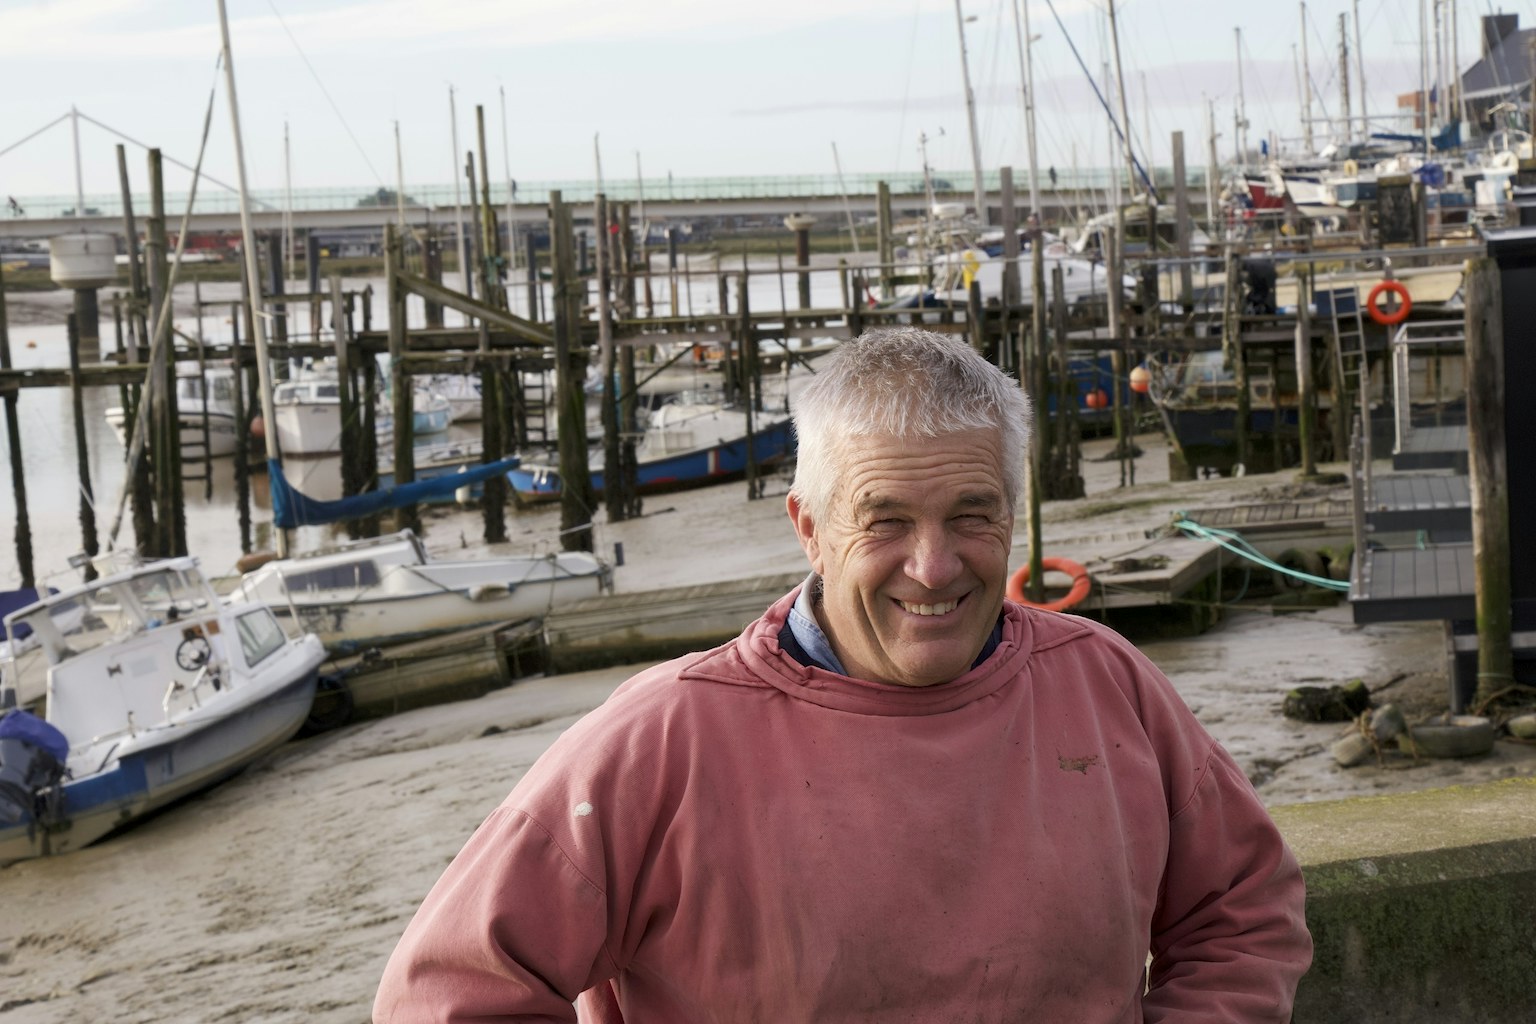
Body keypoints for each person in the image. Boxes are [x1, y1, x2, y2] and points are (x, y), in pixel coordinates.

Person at [373, 326, 1312, 1022]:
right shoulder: (657, 744)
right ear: (810, 528)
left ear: (1018, 518)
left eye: (973, 516)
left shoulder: (1109, 687)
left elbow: (1243, 908)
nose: (935, 566)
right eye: (887, 521)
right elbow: (444, 997)